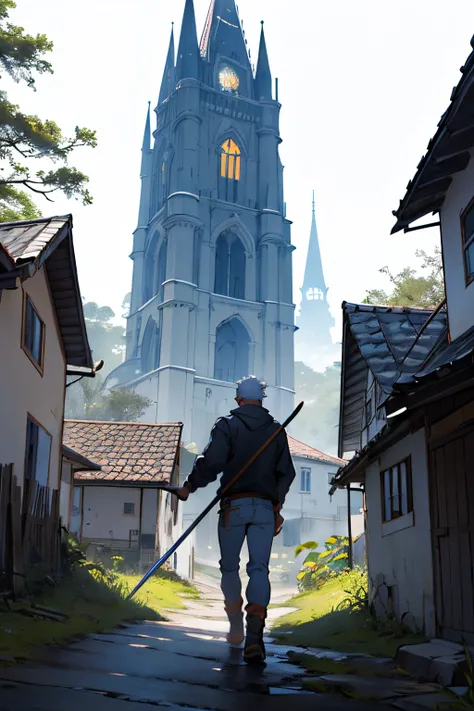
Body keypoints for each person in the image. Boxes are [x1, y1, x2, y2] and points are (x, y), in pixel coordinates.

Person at [176, 375, 296, 665]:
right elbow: (287, 474)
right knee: (259, 568)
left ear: (238, 399)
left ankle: (236, 626)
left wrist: (190, 486)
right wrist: (277, 505)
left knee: (229, 566)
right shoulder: (276, 431)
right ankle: (255, 638)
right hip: (265, 510)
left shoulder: (227, 425)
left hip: (234, 506)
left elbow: (213, 462)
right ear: (261, 400)